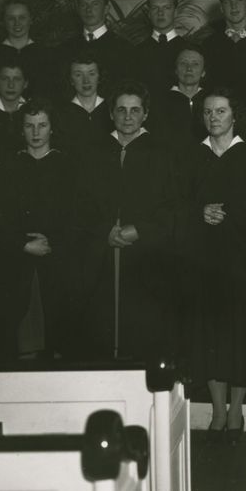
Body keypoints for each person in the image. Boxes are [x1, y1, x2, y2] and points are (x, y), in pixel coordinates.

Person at [74, 81, 181, 361]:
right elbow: (80, 203)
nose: (128, 116)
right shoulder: (94, 152)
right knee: (100, 330)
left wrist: (141, 230)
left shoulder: (163, 153)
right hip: (101, 256)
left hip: (146, 257)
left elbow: (173, 205)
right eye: (121, 109)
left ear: (146, 114)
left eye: (135, 110)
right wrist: (102, 230)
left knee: (142, 332)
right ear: (111, 113)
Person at [184, 89, 246, 446]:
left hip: (241, 258)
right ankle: (218, 411)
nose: (214, 117)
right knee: (211, 336)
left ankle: (236, 409)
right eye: (208, 112)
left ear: (234, 115)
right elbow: (177, 204)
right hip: (205, 259)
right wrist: (198, 213)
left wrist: (230, 218)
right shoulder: (193, 156)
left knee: (239, 335)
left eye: (221, 111)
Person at [0, 97, 79, 359]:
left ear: (52, 128)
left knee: (58, 338)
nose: (36, 132)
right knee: (20, 339)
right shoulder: (7, 166)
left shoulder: (68, 166)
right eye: (29, 126)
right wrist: (23, 244)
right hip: (17, 260)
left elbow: (78, 216)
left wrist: (53, 242)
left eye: (42, 125)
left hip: (58, 260)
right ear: (21, 129)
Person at [58, 0, 136, 93]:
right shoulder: (65, 49)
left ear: (106, 9)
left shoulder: (124, 49)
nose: (88, 10)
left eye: (95, 4)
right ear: (78, 9)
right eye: (84, 5)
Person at [0, 0, 54, 100]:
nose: (17, 23)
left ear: (31, 20)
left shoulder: (47, 55)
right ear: (3, 21)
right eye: (11, 18)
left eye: (22, 17)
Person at [147, 44, 208, 154]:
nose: (189, 68)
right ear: (176, 70)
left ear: (203, 72)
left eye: (195, 64)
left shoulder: (211, 101)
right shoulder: (158, 102)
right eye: (183, 63)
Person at [54, 49, 112, 159]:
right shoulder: (61, 113)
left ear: (99, 77)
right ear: (71, 79)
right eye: (78, 75)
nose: (86, 81)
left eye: (91, 74)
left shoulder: (111, 109)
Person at [137, 0, 186, 93]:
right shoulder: (137, 52)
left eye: (166, 7)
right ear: (149, 13)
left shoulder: (189, 49)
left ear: (176, 12)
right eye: (155, 8)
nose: (160, 13)